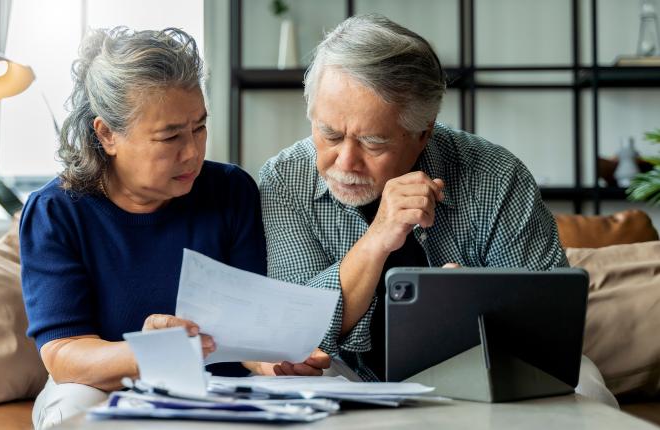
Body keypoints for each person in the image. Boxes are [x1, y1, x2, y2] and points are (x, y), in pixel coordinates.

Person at [258, 14, 617, 406]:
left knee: (586, 383)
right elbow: (293, 330)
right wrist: (379, 237)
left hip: (480, 364)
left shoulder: (496, 176)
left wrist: (474, 307)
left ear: (423, 132)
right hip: (344, 371)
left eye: (373, 143)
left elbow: (552, 324)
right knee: (292, 385)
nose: (345, 162)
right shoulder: (284, 180)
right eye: (329, 134)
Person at [19, 27, 328, 430]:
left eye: (199, 128)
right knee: (75, 410)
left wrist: (273, 360)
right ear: (107, 134)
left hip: (217, 385)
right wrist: (151, 352)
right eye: (170, 137)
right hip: (103, 387)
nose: (194, 152)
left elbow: (244, 332)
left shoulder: (230, 191)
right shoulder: (57, 211)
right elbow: (63, 355)